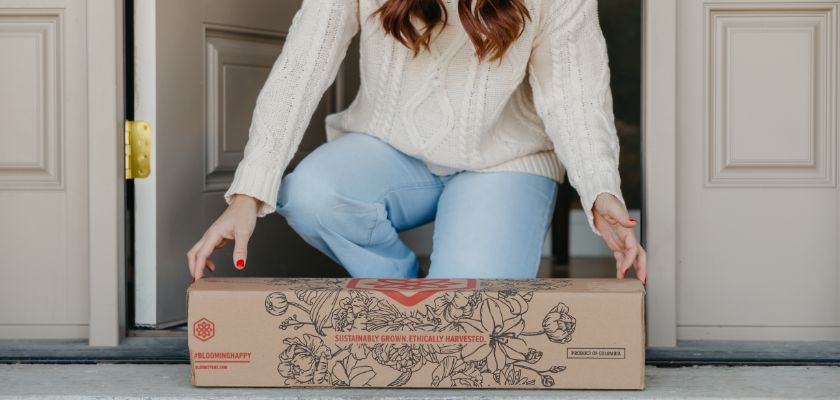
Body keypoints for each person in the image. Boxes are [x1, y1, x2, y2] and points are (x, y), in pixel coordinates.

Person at [187, 0, 647, 283]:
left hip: (506, 161)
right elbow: (299, 72)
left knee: (465, 311)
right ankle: (400, 287)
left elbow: (574, 96)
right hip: (389, 150)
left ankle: (440, 286)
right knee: (310, 194)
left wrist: (600, 189)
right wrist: (248, 194)